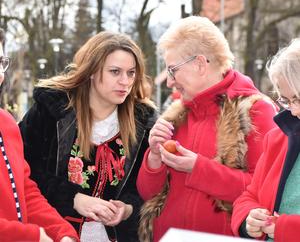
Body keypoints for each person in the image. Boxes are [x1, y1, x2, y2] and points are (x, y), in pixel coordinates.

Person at [136, 15, 278, 242]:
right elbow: (148, 193)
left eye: (173, 70)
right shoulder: (176, 116)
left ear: (200, 64)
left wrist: (198, 169)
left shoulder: (255, 111)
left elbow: (265, 192)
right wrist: (153, 157)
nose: (170, 82)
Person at [18, 31, 157, 242]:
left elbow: (148, 188)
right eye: (115, 71)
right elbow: (22, 172)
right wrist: (73, 198)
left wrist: (128, 209)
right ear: (92, 70)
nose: (125, 81)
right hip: (54, 234)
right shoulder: (51, 111)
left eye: (131, 73)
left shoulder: (143, 123)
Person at [0, 29, 79, 242]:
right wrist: (31, 236)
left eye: (1, 61)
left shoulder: (6, 123)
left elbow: (25, 192)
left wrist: (61, 233)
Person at [231, 38, 300, 241]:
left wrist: (287, 228)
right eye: (286, 101)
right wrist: (249, 218)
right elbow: (249, 196)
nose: (294, 111)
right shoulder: (279, 138)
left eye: (298, 98)